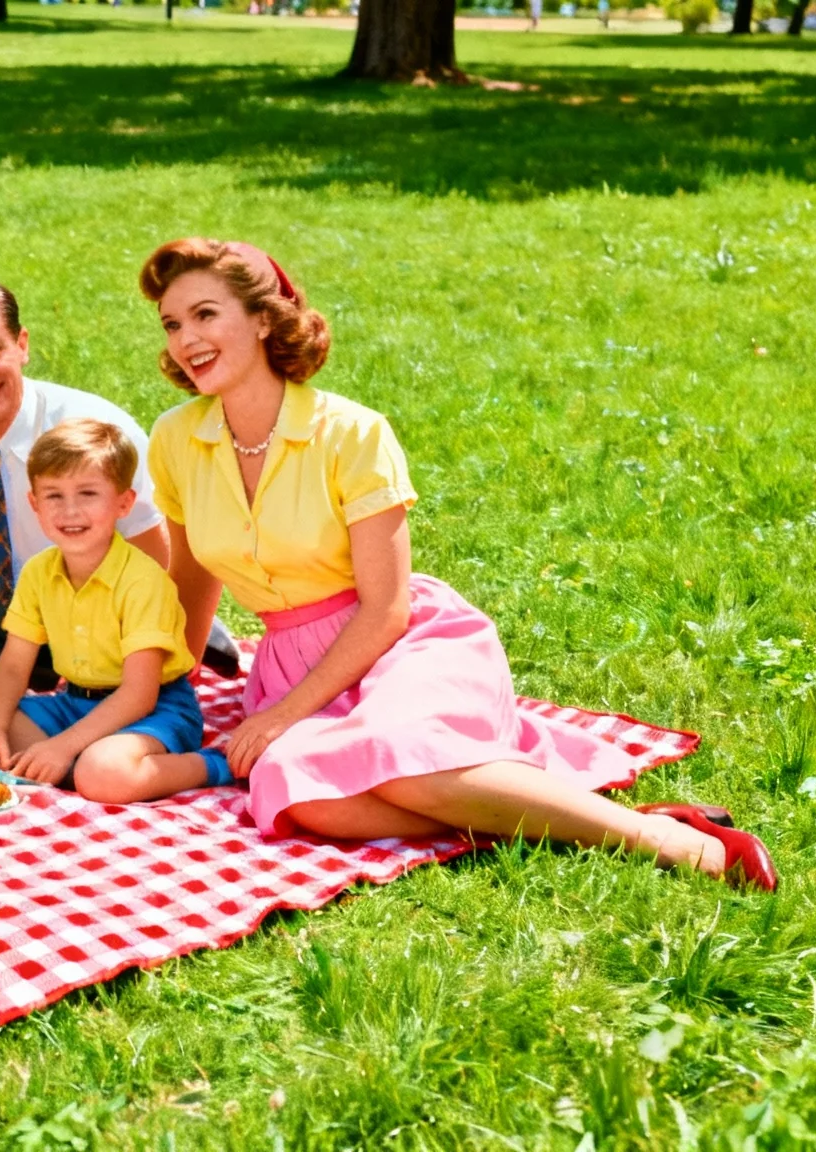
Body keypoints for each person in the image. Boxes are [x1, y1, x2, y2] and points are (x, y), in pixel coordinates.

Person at [137, 237, 776, 890]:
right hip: (287, 660)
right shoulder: (176, 439)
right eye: (172, 323)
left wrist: (280, 716)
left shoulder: (353, 433)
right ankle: (524, 812)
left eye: (206, 315)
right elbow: (191, 582)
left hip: (397, 640)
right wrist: (157, 696)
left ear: (264, 318)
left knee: (401, 758)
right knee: (297, 795)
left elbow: (387, 608)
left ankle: (665, 838)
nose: (187, 339)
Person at [0, 278, 237, 712]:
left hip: (113, 619)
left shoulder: (94, 429)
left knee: (118, 697)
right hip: (17, 624)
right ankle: (54, 698)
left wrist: (166, 646)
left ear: (22, 345)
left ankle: (191, 642)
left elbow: (154, 549)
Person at [0, 418, 223, 801]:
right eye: (54, 496)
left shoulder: (142, 580)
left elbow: (140, 694)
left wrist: (62, 745)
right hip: (72, 704)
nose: (69, 510)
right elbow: (12, 665)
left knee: (105, 773)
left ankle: (210, 764)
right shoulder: (39, 572)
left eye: (88, 493)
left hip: (153, 711)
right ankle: (66, 765)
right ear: (34, 504)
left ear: (123, 502)